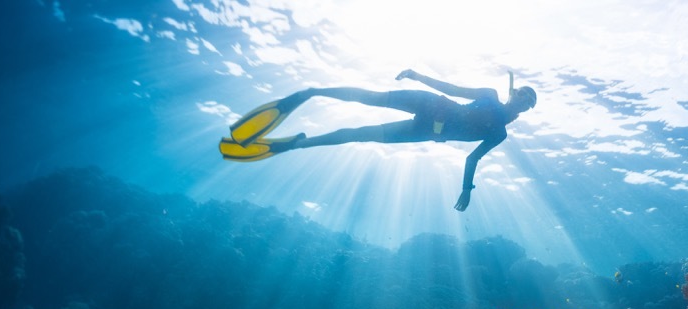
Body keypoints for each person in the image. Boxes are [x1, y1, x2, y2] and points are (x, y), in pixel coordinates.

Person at [220, 69, 537, 211]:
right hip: (431, 104)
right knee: (369, 98)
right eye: (523, 93)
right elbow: (453, 89)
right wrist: (418, 76)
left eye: (528, 101)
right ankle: (310, 93)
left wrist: (466, 189)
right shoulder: (490, 95)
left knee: (360, 135)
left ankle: (296, 143)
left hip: (426, 132)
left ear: (526, 109)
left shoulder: (500, 133)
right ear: (514, 93)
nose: (522, 99)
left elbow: (472, 158)